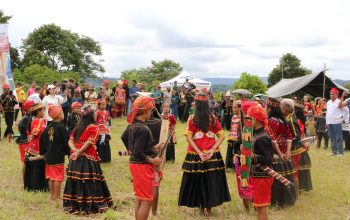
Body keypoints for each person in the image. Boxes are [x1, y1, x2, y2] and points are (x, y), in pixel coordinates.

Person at [178, 88, 230, 217]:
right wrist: (212, 149)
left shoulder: (192, 119)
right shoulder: (212, 118)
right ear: (207, 104)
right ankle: (208, 210)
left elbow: (189, 137)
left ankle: (202, 209)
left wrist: (200, 153)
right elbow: (222, 136)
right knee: (210, 181)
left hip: (196, 155)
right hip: (212, 156)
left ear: (197, 104)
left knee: (198, 182)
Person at [63, 105, 113, 214]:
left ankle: (75, 203)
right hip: (87, 159)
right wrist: (79, 152)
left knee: (76, 180)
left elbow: (70, 142)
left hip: (76, 159)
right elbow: (89, 142)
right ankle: (89, 204)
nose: (96, 115)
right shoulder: (94, 127)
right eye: (95, 113)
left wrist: (75, 151)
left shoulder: (78, 127)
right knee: (89, 181)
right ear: (92, 115)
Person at [121, 96, 163, 220]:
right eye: (150, 110)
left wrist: (153, 148)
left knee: (140, 198)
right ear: (145, 111)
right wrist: (153, 160)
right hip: (142, 166)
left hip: (136, 164)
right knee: (147, 200)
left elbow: (129, 141)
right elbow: (139, 152)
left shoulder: (132, 126)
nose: (151, 113)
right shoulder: (143, 129)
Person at [266, 98, 296, 207]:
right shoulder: (283, 120)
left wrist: (279, 153)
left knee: (276, 179)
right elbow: (289, 137)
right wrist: (287, 152)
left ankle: (276, 201)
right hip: (283, 153)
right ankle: (285, 200)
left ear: (269, 107)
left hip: (276, 153)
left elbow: (273, 139)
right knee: (285, 178)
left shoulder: (272, 120)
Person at [247, 105, 274, 220]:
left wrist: (253, 156)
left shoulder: (262, 137)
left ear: (255, 119)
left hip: (263, 176)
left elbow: (268, 159)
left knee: (261, 207)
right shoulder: (256, 134)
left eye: (249, 118)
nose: (247, 121)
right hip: (258, 175)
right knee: (258, 206)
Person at [40, 105, 70, 201]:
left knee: (51, 177)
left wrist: (43, 152)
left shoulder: (48, 127)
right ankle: (56, 197)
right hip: (58, 156)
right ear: (59, 115)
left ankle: (52, 196)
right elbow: (67, 143)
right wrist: (69, 153)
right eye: (61, 112)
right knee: (58, 177)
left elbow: (42, 140)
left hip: (49, 155)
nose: (63, 114)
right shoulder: (62, 128)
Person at [23, 102, 48, 191]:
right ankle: (37, 187)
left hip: (33, 145)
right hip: (37, 146)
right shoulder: (39, 121)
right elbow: (35, 133)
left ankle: (33, 186)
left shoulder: (38, 120)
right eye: (43, 111)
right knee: (37, 167)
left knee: (34, 166)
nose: (44, 112)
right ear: (38, 112)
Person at [281, 98, 303, 199]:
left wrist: (286, 144)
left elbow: (296, 136)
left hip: (294, 150)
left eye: (281, 106)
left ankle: (296, 196)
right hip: (291, 149)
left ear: (285, 108)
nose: (280, 108)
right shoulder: (288, 117)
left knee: (294, 172)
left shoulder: (290, 119)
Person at [326, 88, 345, 156]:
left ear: (337, 95)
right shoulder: (328, 102)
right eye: (331, 94)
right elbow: (328, 113)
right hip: (329, 122)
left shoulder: (339, 102)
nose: (331, 95)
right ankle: (334, 152)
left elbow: (344, 111)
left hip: (337, 123)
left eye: (333, 94)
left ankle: (340, 153)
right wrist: (327, 122)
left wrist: (342, 118)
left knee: (339, 138)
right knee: (332, 138)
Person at [16, 100, 35, 165]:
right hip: (25, 140)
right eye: (32, 107)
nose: (34, 108)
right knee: (25, 159)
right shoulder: (27, 118)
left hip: (23, 139)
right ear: (27, 109)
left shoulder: (27, 117)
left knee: (25, 158)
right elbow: (28, 131)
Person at [226, 100, 241, 170]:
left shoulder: (242, 118)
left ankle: (237, 166)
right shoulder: (233, 117)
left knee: (237, 152)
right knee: (230, 151)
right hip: (231, 137)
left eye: (235, 107)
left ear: (239, 108)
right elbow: (231, 127)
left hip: (238, 138)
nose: (233, 109)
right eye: (233, 107)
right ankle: (229, 166)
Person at [96, 99, 111, 163]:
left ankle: (107, 158)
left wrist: (109, 128)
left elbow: (108, 120)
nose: (104, 106)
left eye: (104, 104)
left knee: (106, 143)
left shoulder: (107, 112)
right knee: (100, 143)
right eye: (102, 105)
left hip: (106, 130)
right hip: (99, 131)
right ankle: (100, 158)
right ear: (98, 106)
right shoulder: (97, 112)